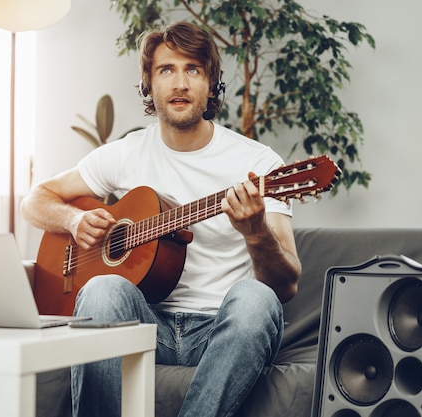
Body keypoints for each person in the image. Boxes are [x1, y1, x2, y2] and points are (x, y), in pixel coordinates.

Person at [20, 21, 302, 417]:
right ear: (148, 86)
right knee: (102, 291)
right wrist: (71, 220)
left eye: (193, 70)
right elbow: (34, 200)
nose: (180, 83)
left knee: (257, 299)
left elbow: (286, 284)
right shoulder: (125, 153)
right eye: (167, 70)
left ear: (211, 85)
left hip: (222, 328)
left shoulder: (259, 164)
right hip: (147, 325)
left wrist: (255, 233)